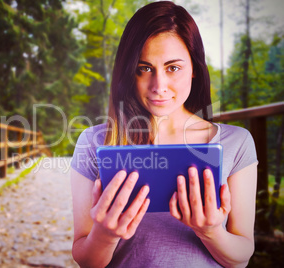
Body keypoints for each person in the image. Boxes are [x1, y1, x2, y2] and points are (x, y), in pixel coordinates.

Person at [70, 1, 258, 267]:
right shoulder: (93, 143)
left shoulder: (236, 143)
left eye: (173, 68)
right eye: (144, 68)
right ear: (129, 72)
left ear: (194, 69)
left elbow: (240, 258)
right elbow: (86, 260)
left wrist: (210, 231)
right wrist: (106, 236)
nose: (159, 86)